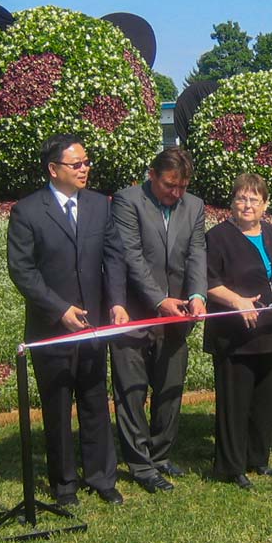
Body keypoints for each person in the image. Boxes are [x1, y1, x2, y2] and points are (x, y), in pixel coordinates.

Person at [6, 133, 128, 506]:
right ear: (53, 169)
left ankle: (101, 477)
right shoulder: (27, 212)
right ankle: (64, 484)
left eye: (87, 162)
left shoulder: (99, 205)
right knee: (57, 406)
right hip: (52, 328)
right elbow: (22, 271)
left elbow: (114, 257)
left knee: (94, 399)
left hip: (92, 326)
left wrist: (118, 302)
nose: (85, 169)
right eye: (76, 164)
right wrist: (59, 309)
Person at [110, 147, 207, 493]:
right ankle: (140, 464)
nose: (176, 194)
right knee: (132, 391)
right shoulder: (127, 202)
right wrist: (158, 299)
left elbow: (197, 252)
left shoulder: (193, 206)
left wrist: (197, 294)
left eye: (182, 187)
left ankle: (161, 453)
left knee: (170, 386)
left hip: (177, 315)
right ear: (152, 175)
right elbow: (131, 256)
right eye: (169, 186)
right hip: (136, 312)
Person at [204, 174, 272, 489]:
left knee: (264, 400)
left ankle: (258, 459)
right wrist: (237, 302)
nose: (247, 205)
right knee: (235, 403)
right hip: (236, 334)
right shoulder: (218, 237)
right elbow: (207, 281)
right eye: (241, 198)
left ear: (265, 204)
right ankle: (231, 466)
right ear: (232, 202)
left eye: (254, 199)